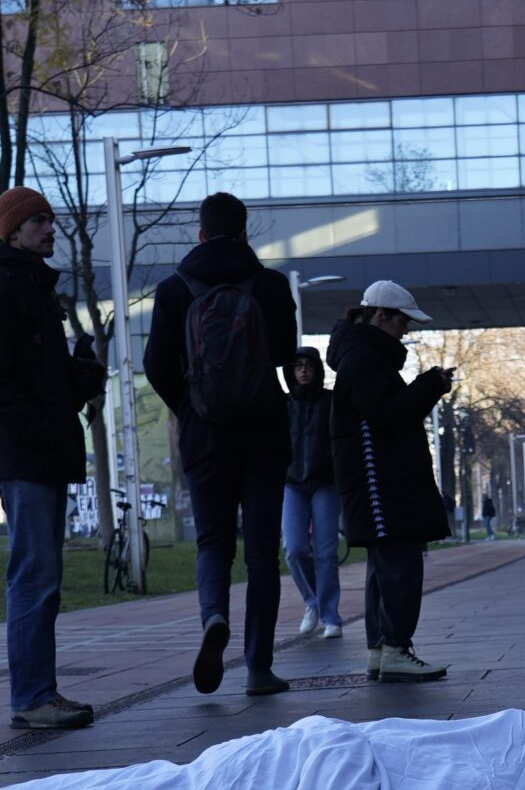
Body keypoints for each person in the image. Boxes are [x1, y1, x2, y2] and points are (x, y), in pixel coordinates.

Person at [146, 191, 300, 696]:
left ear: (201, 233)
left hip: (205, 436)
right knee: (262, 553)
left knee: (213, 542)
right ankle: (259, 667)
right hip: (263, 432)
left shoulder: (174, 288)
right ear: (244, 231)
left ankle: (214, 615)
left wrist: (190, 407)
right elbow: (284, 353)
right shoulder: (271, 285)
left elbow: (156, 364)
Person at [0, 184, 107, 730]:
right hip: (23, 457)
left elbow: (38, 381)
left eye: (50, 219)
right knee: (33, 576)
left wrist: (80, 377)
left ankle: (40, 691)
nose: (50, 229)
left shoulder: (31, 286)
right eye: (38, 221)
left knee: (43, 577)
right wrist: (42, 429)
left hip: (39, 454)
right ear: (12, 233)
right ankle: (31, 697)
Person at [328, 281, 454, 682]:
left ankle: (382, 650)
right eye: (402, 321)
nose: (405, 330)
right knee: (400, 564)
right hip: (383, 482)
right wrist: (429, 385)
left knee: (384, 567)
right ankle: (396, 649)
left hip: (379, 480)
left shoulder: (360, 354)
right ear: (380, 316)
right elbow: (388, 415)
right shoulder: (364, 357)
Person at [282, 346, 344, 638]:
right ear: (291, 371)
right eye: (298, 366)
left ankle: (331, 617)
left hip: (325, 483)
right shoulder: (282, 405)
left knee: (326, 553)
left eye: (308, 365)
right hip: (292, 484)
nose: (303, 370)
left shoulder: (331, 401)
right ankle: (312, 602)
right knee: (294, 549)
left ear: (317, 370)